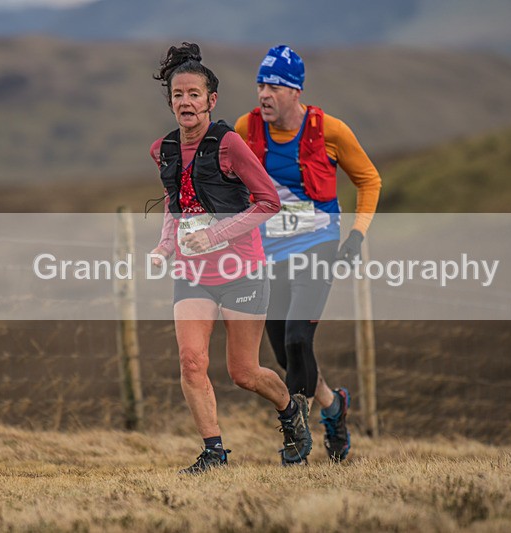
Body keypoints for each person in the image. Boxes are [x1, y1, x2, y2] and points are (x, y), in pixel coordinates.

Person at [148, 43, 312, 473]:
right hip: (193, 273)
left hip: (242, 271)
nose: (186, 102)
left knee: (244, 372)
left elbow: (268, 202)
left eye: (194, 94)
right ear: (170, 101)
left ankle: (290, 411)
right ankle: (214, 452)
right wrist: (165, 246)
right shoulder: (164, 149)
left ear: (211, 100)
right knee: (191, 361)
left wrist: (216, 234)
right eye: (178, 95)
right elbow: (175, 202)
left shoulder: (229, 144)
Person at [235, 45, 382, 462]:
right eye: (261, 85)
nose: (264, 94)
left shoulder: (330, 131)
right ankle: (333, 405)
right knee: (286, 354)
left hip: (317, 244)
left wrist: (356, 236)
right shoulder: (247, 128)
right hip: (268, 251)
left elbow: (369, 181)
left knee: (299, 338)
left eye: (274, 87)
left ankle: (297, 439)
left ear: (295, 92)